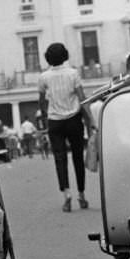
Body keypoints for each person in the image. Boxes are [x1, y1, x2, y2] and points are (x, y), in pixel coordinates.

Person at [38, 42, 95, 211]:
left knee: (60, 158)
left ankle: (67, 194)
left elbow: (41, 101)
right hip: (73, 120)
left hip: (55, 121)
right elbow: (82, 99)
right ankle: (81, 194)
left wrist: (46, 114)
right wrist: (90, 120)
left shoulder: (44, 77)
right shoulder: (73, 74)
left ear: (48, 58)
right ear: (65, 55)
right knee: (77, 157)